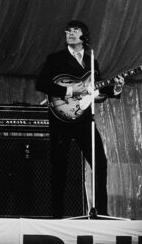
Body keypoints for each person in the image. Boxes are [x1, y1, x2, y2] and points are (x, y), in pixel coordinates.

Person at [36, 20, 124, 218]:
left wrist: (116, 89)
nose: (70, 33)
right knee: (59, 166)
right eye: (68, 31)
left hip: (85, 120)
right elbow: (41, 83)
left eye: (75, 31)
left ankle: (102, 213)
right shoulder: (56, 58)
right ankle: (57, 216)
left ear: (84, 36)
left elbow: (96, 92)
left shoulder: (92, 60)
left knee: (100, 163)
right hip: (61, 120)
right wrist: (69, 89)